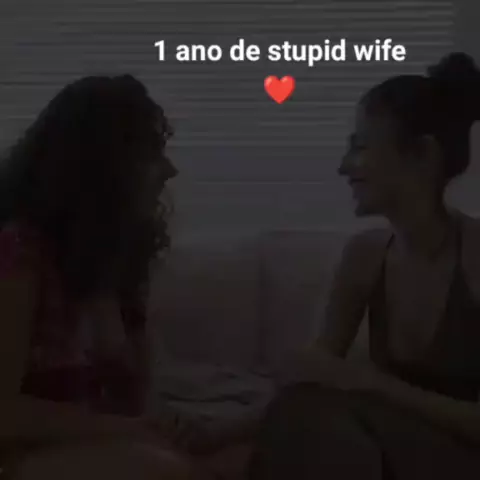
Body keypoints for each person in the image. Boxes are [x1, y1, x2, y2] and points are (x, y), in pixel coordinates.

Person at [249, 52, 480, 479]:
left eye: (360, 147)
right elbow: (320, 373)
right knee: (302, 408)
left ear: (423, 155)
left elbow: (353, 382)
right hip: (390, 450)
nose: (343, 167)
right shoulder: (366, 255)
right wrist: (220, 431)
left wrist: (371, 383)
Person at [0, 75, 212, 479]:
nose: (169, 171)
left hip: (106, 447)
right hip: (19, 456)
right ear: (104, 165)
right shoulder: (19, 253)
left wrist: (167, 423)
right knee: (162, 470)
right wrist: (128, 431)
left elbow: (136, 399)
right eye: (151, 154)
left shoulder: (118, 261)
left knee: (238, 454)